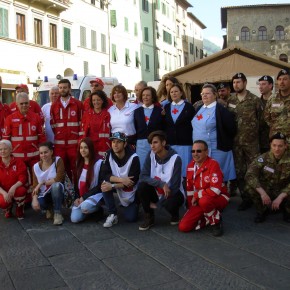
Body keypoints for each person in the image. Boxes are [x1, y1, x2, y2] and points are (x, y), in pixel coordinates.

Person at [227, 73, 263, 210]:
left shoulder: (254, 100)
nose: (236, 84)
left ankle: (258, 197)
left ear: (245, 83)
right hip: (236, 144)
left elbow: (262, 121)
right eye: (234, 82)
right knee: (239, 171)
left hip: (252, 144)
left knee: (255, 170)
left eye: (239, 82)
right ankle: (246, 198)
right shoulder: (231, 100)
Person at [179, 140, 229, 236]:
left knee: (204, 201)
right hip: (199, 200)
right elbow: (189, 190)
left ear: (206, 152)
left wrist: (197, 195)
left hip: (218, 197)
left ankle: (216, 222)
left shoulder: (213, 164)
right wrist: (191, 207)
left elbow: (215, 190)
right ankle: (207, 217)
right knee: (183, 227)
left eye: (199, 151)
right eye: (193, 151)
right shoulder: (190, 166)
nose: (195, 154)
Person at [138, 130, 185, 230]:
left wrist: (159, 204)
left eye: (155, 142)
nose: (152, 146)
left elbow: (175, 187)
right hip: (157, 191)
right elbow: (143, 176)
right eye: (151, 143)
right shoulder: (150, 155)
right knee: (142, 186)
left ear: (163, 143)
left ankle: (174, 213)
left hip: (173, 193)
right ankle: (149, 217)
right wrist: (161, 184)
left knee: (171, 203)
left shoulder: (176, 158)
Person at [192, 84, 236, 184]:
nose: (204, 96)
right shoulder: (199, 108)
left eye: (207, 93)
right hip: (200, 150)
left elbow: (231, 129)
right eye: (202, 93)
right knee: (204, 177)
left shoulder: (221, 110)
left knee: (217, 177)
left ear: (215, 95)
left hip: (216, 150)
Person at [245, 133, 290, 223]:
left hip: (284, 191)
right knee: (250, 188)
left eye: (280, 146)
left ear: (286, 146)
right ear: (270, 145)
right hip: (268, 190)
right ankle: (262, 210)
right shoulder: (263, 158)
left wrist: (281, 197)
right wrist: (262, 193)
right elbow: (250, 175)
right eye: (274, 145)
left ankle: (287, 210)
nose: (277, 149)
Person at [100, 132, 140, 228]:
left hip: (131, 192)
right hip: (120, 184)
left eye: (118, 142)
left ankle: (136, 204)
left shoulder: (134, 158)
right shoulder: (108, 154)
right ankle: (112, 214)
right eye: (113, 142)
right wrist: (121, 180)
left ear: (125, 144)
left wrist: (113, 185)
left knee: (131, 218)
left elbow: (131, 183)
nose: (115, 144)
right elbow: (104, 174)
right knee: (104, 184)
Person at [3, 92, 45, 178]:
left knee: (36, 179)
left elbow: (41, 137)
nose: (24, 105)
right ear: (17, 104)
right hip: (17, 158)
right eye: (21, 103)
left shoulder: (36, 117)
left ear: (29, 103)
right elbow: (6, 141)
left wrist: (42, 153)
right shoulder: (10, 119)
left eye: (26, 103)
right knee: (21, 180)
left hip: (34, 157)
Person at [50, 79, 83, 181]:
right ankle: (64, 194)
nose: (62, 90)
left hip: (74, 144)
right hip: (59, 145)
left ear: (69, 89)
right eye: (60, 88)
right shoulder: (54, 105)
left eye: (65, 87)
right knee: (60, 170)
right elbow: (53, 125)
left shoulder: (77, 104)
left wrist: (79, 140)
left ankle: (77, 193)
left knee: (76, 169)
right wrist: (59, 135)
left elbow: (82, 124)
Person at [164, 83, 195, 177]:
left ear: (181, 93)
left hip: (185, 144)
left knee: (185, 172)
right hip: (171, 144)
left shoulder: (189, 107)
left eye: (176, 91)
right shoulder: (166, 107)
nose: (174, 93)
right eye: (171, 92)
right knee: (172, 171)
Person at [31, 142, 65, 225]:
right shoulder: (35, 167)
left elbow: (59, 178)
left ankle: (57, 213)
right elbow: (35, 186)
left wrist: (42, 183)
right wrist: (34, 200)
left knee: (56, 185)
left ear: (51, 152)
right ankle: (49, 209)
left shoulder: (58, 161)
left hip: (58, 192)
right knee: (37, 203)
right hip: (44, 193)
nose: (43, 155)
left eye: (46, 152)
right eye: (41, 153)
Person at [70, 138, 104, 223]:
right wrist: (77, 197)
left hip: (96, 195)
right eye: (81, 148)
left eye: (86, 147)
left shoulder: (99, 163)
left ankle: (98, 209)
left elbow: (100, 185)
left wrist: (84, 197)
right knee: (74, 219)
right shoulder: (79, 162)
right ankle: (88, 211)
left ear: (91, 148)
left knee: (85, 207)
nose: (83, 150)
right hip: (82, 197)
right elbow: (76, 184)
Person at [134, 86, 164, 168]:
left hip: (156, 144)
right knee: (143, 167)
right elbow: (135, 128)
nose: (145, 97)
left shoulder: (159, 111)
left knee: (156, 167)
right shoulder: (137, 112)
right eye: (143, 95)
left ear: (153, 97)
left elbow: (162, 128)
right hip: (141, 145)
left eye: (148, 95)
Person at [0, 140, 28, 219]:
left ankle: (19, 208)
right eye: (0, 149)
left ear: (11, 149)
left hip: (16, 188)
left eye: (5, 149)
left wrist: (14, 187)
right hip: (3, 190)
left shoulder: (18, 162)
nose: (2, 151)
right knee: (2, 202)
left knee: (21, 191)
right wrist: (4, 193)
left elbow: (23, 178)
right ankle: (8, 209)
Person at [264, 69, 290, 145]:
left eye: (285, 79)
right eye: (279, 79)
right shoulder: (272, 99)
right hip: (276, 143)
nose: (281, 82)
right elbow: (266, 117)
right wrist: (277, 126)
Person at [81, 90, 111, 157]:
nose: (96, 102)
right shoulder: (87, 114)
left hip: (104, 147)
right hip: (91, 147)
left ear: (102, 101)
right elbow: (83, 132)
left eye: (98, 100)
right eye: (94, 100)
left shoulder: (108, 114)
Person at [258, 75, 274, 153]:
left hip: (274, 142)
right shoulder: (256, 102)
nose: (260, 87)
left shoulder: (277, 101)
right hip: (259, 142)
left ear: (270, 85)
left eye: (263, 84)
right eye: (260, 84)